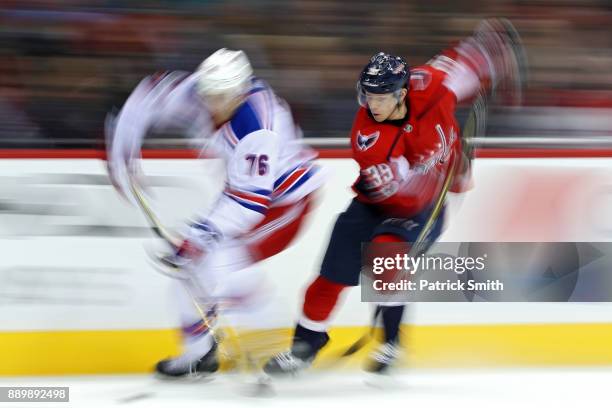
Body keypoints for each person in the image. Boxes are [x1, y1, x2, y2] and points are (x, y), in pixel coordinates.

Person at [264, 18, 526, 375]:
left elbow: (465, 62)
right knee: (331, 275)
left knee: (387, 255)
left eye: (380, 97)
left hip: (420, 211)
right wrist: (440, 170)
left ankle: (390, 342)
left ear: (402, 93)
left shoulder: (430, 85)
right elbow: (404, 191)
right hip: (381, 203)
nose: (372, 105)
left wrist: (493, 54)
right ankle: (306, 343)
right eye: (368, 95)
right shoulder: (367, 137)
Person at [106, 48, 326, 377]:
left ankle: (274, 345)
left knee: (219, 268)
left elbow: (248, 202)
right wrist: (122, 147)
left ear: (241, 89)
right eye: (209, 95)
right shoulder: (200, 89)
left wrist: (197, 237)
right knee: (191, 272)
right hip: (245, 197)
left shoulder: (257, 129)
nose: (214, 104)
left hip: (283, 205)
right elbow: (149, 94)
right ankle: (199, 355)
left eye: (223, 96)